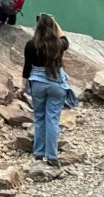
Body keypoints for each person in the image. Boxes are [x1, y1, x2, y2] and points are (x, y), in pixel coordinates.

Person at [22, 12, 77, 167]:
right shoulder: (59, 45)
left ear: (37, 27)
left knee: (39, 118)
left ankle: (38, 154)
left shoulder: (31, 44)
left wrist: (22, 86)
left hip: (37, 85)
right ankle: (52, 157)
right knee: (52, 120)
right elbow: (64, 37)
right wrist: (54, 21)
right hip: (56, 85)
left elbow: (27, 68)